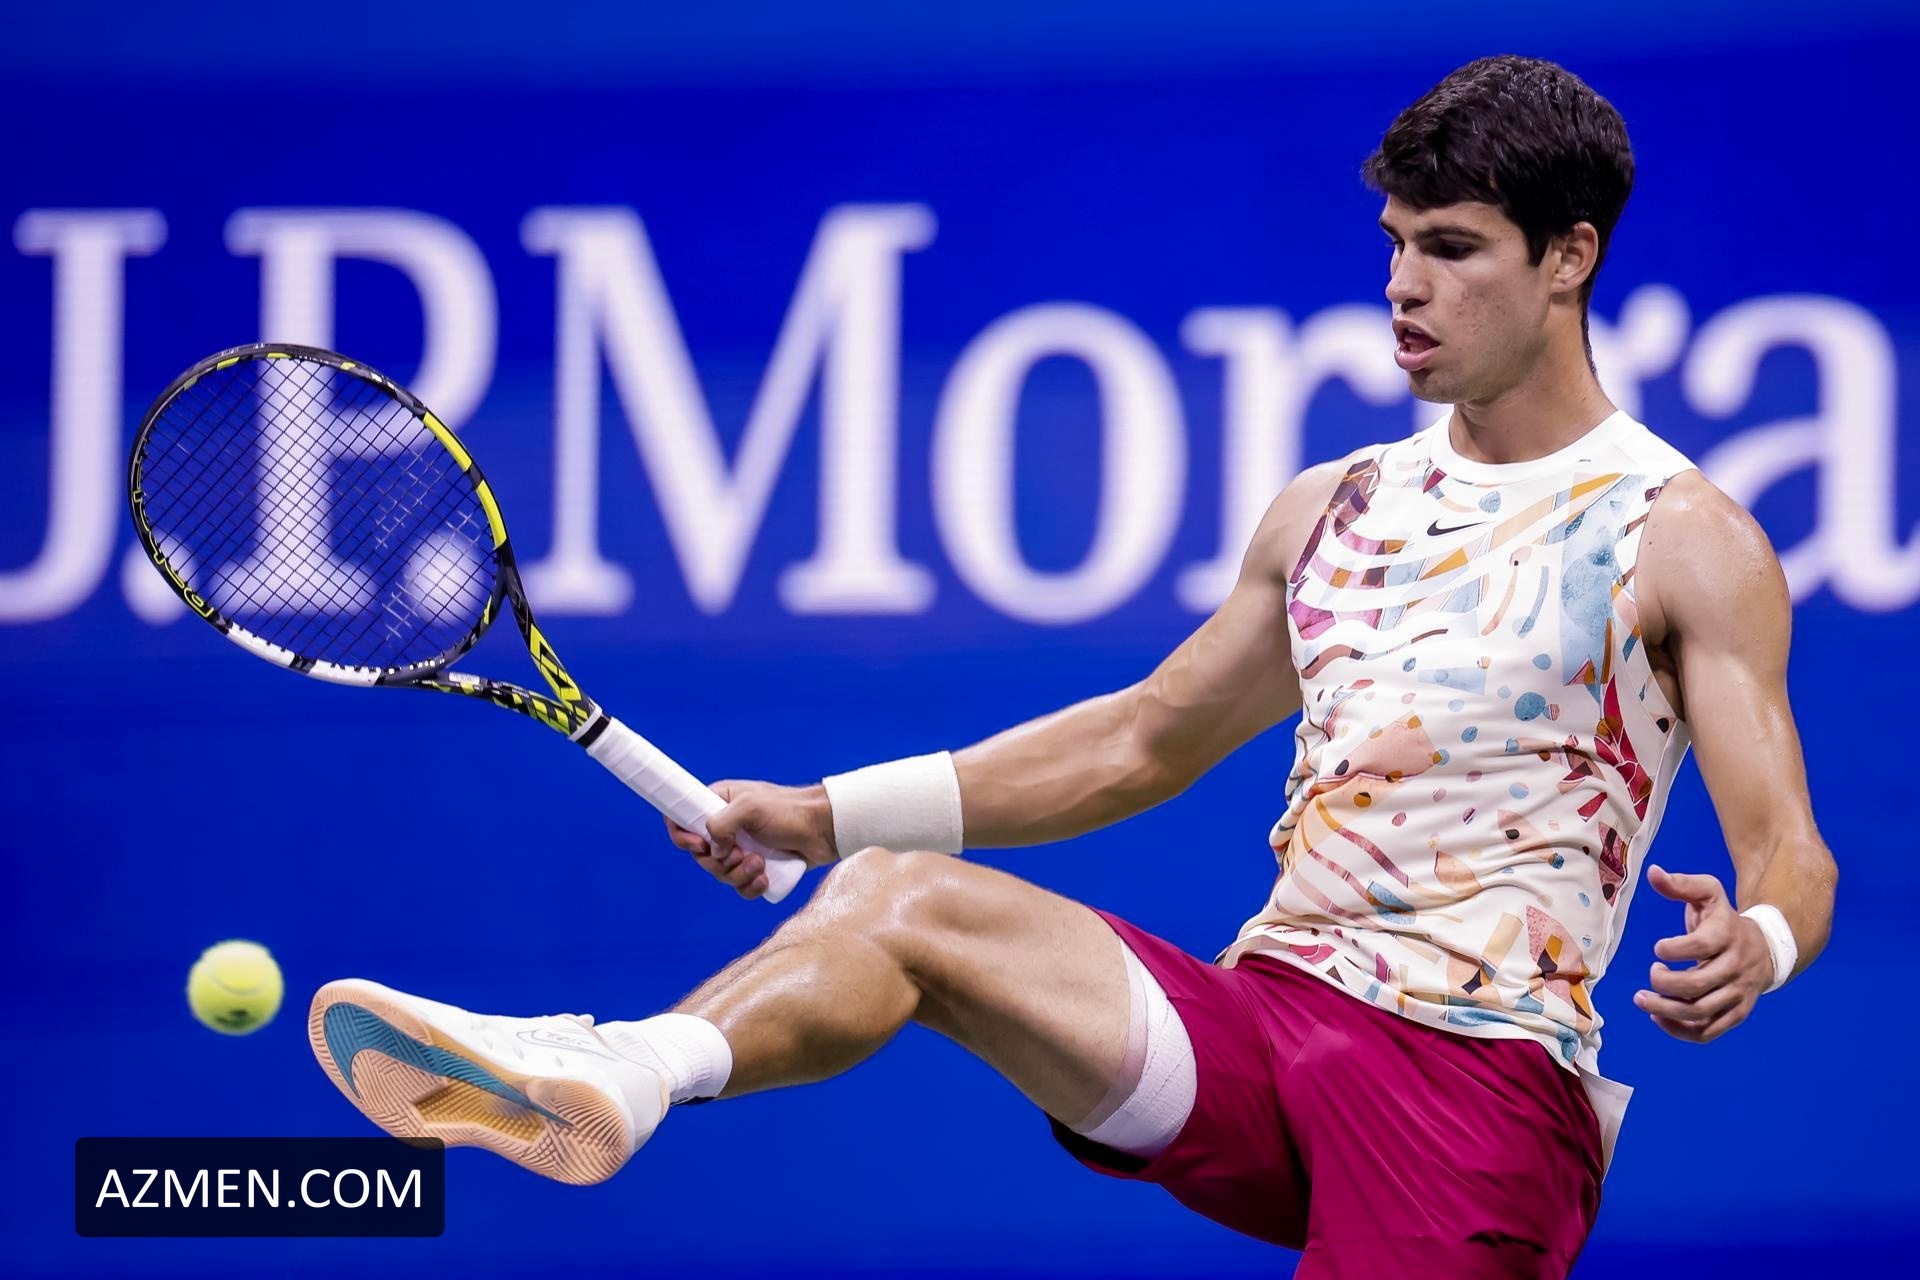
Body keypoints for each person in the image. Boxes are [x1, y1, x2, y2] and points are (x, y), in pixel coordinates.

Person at [309, 55, 1837, 1276]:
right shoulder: (1338, 507)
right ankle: (625, 1074)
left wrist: (1758, 942)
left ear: (1570, 259)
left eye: (1452, 251)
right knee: (899, 899)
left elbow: (1791, 851)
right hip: (1269, 1028)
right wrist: (821, 817)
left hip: (1479, 1097)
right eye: (1394, 246)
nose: (1404, 289)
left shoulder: (1683, 536)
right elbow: (1144, 740)